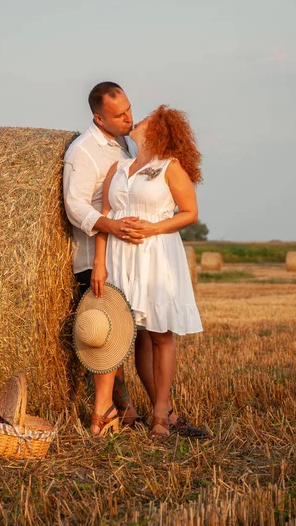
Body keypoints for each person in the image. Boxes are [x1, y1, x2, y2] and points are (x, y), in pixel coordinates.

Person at [91, 105, 206, 437]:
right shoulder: (119, 166)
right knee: (127, 332)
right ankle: (129, 408)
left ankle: (160, 415)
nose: (136, 120)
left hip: (156, 255)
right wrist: (100, 261)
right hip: (119, 256)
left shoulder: (170, 168)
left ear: (158, 130)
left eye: (145, 120)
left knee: (159, 333)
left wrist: (153, 230)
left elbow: (189, 213)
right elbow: (105, 214)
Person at [63, 81, 146, 426]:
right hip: (95, 260)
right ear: (99, 119)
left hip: (123, 256)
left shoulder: (126, 143)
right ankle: (107, 411)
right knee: (104, 334)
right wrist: (111, 227)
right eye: (119, 114)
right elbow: (74, 205)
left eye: (128, 108)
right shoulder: (83, 152)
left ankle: (123, 409)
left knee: (121, 333)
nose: (129, 117)